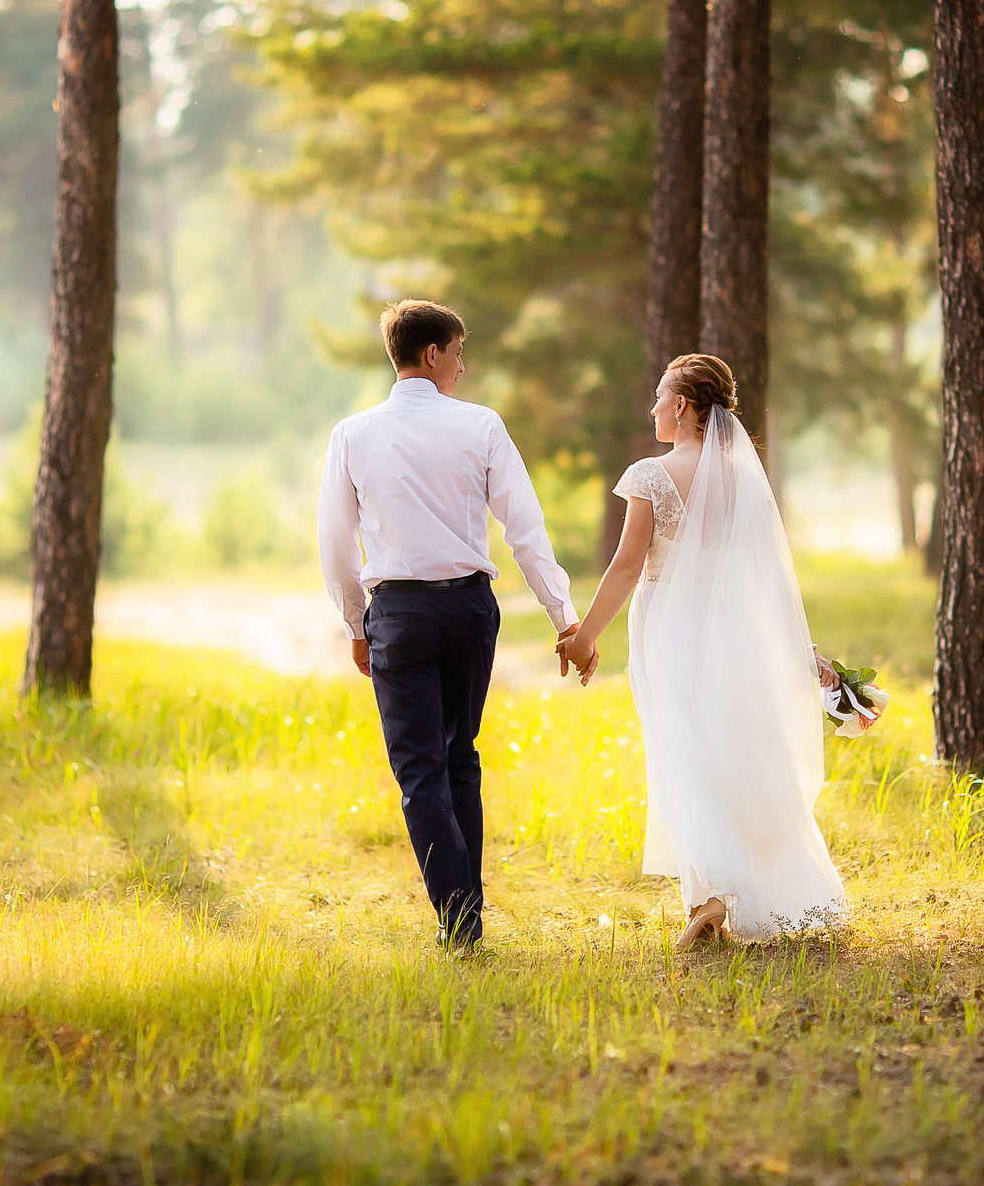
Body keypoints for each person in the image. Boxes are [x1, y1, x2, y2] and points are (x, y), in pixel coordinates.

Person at [557, 354, 850, 947]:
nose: (653, 407)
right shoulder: (743, 478)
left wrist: (586, 633)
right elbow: (765, 576)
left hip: (670, 626)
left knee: (680, 752)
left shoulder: (650, 475)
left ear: (683, 406)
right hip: (733, 626)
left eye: (660, 396)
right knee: (726, 750)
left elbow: (627, 563)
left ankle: (712, 897)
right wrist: (800, 648)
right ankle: (709, 899)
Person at [319, 299, 580, 949]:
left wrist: (358, 622)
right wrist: (564, 616)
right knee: (458, 757)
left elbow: (334, 541)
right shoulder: (481, 425)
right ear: (431, 354)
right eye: (458, 353)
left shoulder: (352, 434)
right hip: (468, 611)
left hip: (400, 614)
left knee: (419, 770)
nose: (462, 367)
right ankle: (466, 914)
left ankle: (460, 921)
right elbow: (525, 528)